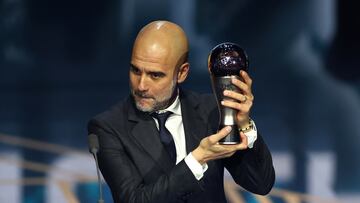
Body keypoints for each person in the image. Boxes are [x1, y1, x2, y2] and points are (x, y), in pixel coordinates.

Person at [88, 20, 275, 203]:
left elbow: (261, 184)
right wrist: (198, 157)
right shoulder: (107, 127)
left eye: (155, 75)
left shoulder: (211, 111)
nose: (141, 85)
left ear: (182, 73)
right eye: (136, 71)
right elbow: (134, 199)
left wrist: (244, 125)